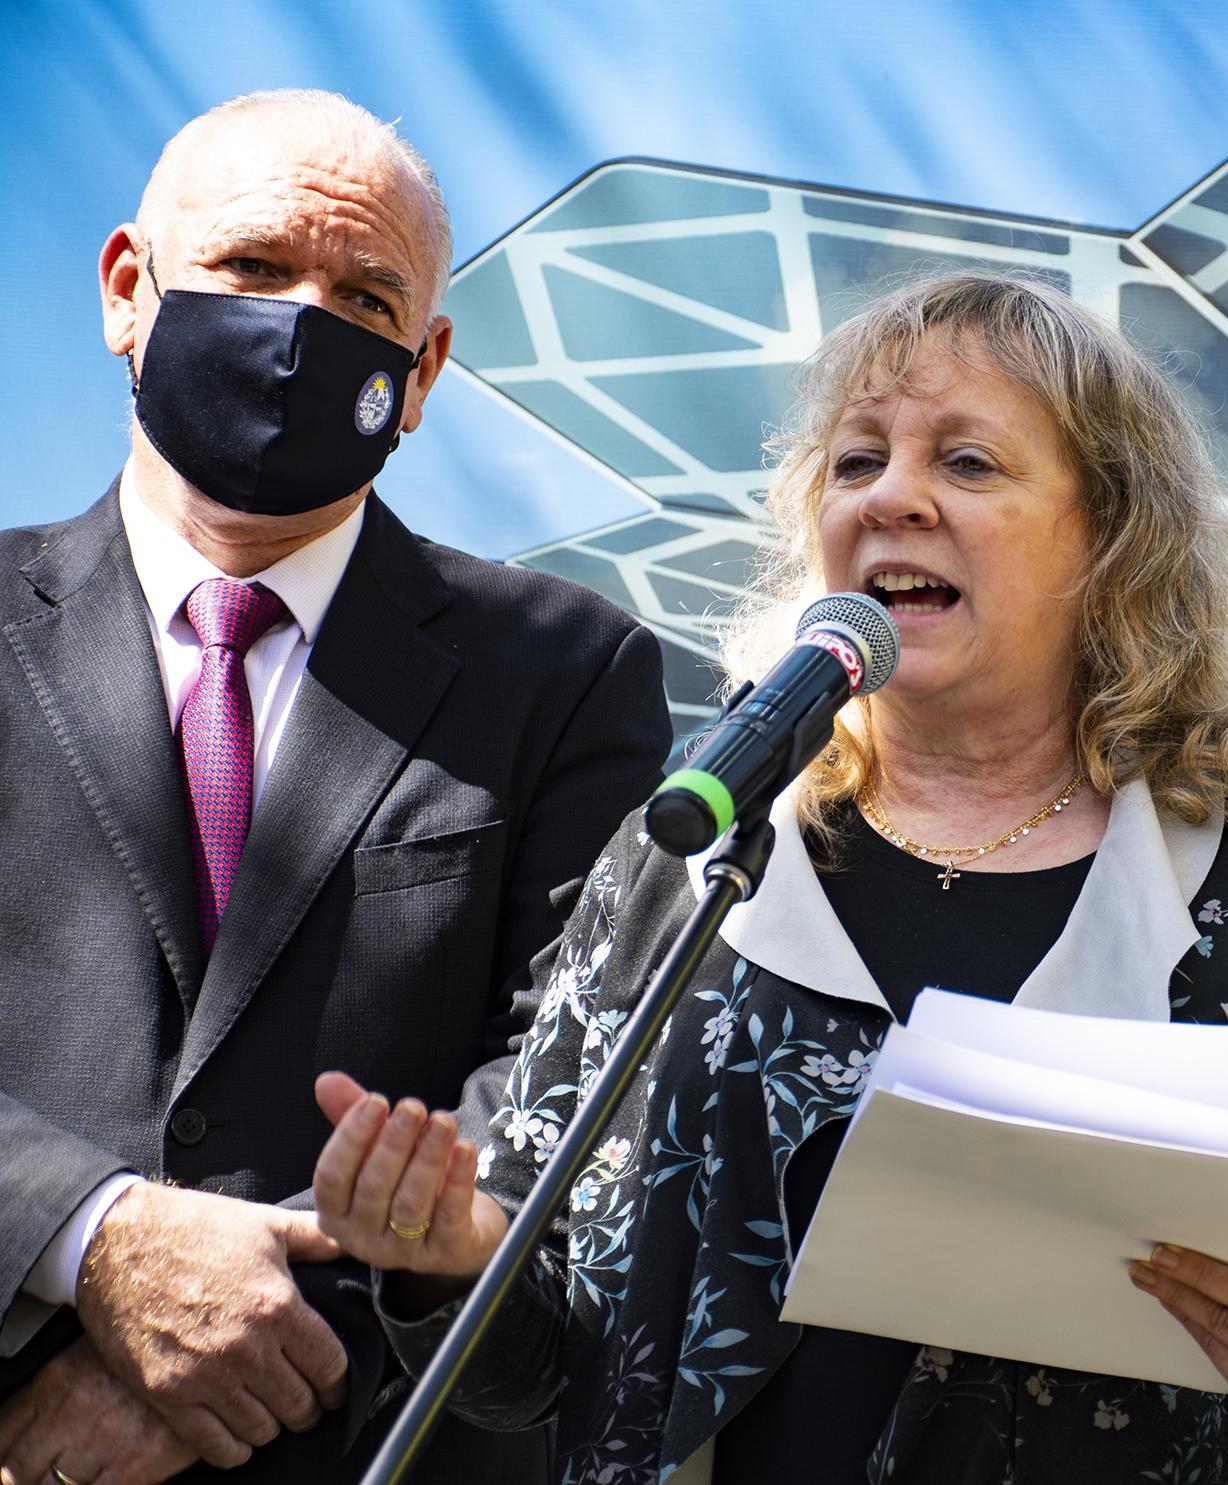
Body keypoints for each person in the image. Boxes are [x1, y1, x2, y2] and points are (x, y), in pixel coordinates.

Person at [307, 271, 1228, 1484]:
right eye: (854, 463)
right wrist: (442, 1257)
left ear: (1108, 540)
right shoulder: (698, 846)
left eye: (967, 463)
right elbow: (549, 1366)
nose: (893, 497)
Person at [0, 91, 671, 1485]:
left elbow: (573, 1080)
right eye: (250, 269)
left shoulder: (563, 672)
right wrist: (93, 1239)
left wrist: (238, 1343)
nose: (303, 323)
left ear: (419, 376)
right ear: (130, 290)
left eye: (363, 295)